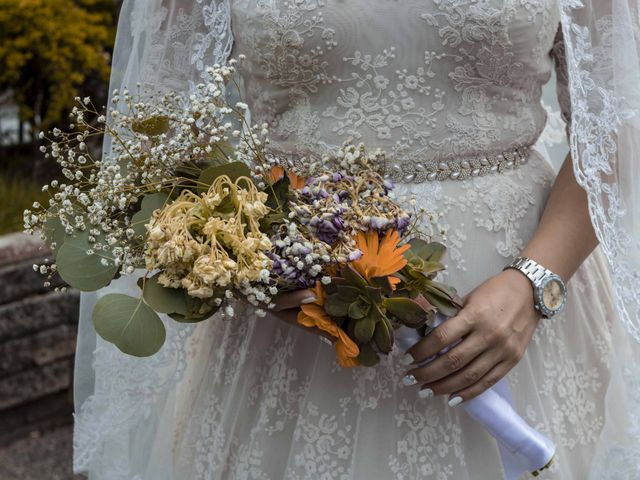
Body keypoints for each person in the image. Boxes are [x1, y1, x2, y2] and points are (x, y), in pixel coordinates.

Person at [73, 0, 640, 478]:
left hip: (524, 298)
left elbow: (617, 122)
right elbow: (155, 143)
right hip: (292, 313)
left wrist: (536, 281)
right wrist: (248, 261)